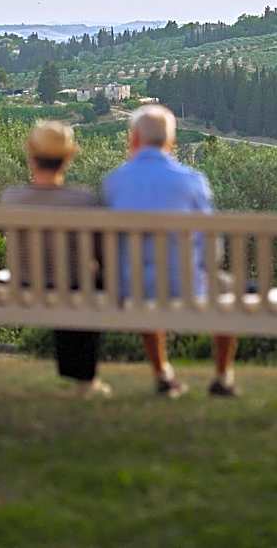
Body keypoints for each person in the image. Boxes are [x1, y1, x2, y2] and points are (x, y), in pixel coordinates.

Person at [102, 105, 237, 398]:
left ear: (133, 139)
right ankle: (223, 376)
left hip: (130, 288)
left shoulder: (114, 181)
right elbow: (212, 246)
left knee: (142, 274)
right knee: (226, 286)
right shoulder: (192, 181)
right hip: (184, 285)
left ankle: (162, 372)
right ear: (170, 142)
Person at [0, 121, 111, 398]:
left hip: (23, 285)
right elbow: (101, 253)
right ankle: (85, 379)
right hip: (73, 288)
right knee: (91, 282)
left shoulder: (10, 199)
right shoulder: (84, 200)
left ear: (30, 153)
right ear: (69, 157)